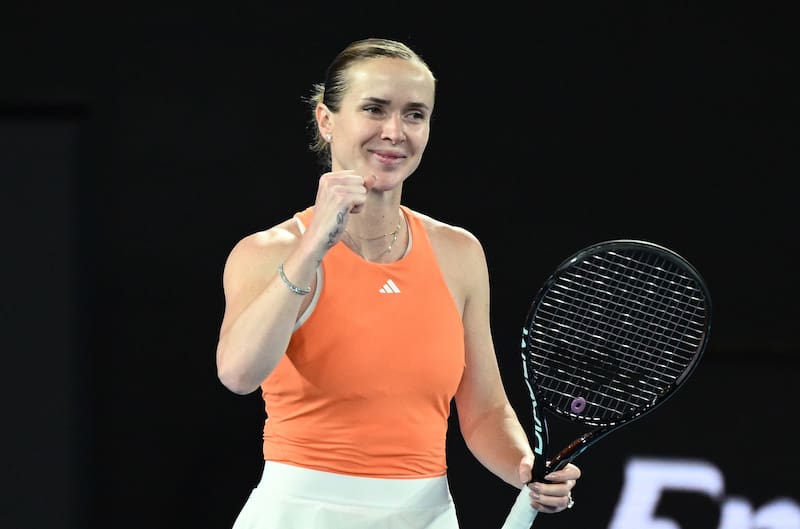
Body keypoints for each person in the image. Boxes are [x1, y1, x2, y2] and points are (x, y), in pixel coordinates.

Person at [215, 37, 581, 529]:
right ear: (327, 121)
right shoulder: (268, 252)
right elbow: (239, 374)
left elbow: (485, 409)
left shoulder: (460, 253)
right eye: (374, 109)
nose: (394, 132)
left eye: (414, 114)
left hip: (424, 515)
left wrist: (525, 469)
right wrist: (312, 249)